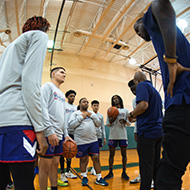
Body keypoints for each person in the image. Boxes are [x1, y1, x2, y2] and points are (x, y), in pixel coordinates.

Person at [133, 1, 190, 189]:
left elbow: (160, 4)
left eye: (137, 29)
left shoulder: (153, 23)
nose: (139, 34)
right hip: (170, 119)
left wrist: (171, 60)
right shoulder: (177, 42)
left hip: (182, 106)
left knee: (167, 177)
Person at [0, 16, 50, 190]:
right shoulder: (39, 36)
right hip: (18, 120)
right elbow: (30, 83)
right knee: (24, 184)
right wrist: (41, 130)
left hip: (2, 120)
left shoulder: (7, 50)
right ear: (44, 28)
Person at [127, 71, 164, 190]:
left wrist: (131, 114)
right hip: (158, 132)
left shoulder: (142, 86)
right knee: (155, 165)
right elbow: (149, 111)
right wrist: (137, 116)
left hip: (147, 133)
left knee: (146, 167)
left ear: (137, 81)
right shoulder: (155, 92)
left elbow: (143, 106)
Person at [39, 67, 73, 190]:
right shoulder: (47, 87)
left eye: (65, 73)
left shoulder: (61, 94)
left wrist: (66, 134)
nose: (64, 75)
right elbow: (42, 108)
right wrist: (49, 131)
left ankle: (54, 188)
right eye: (62, 72)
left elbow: (63, 115)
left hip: (59, 135)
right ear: (53, 74)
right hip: (49, 135)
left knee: (55, 166)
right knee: (44, 168)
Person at [68, 98, 109, 186]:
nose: (86, 103)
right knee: (83, 160)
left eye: (87, 102)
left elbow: (98, 124)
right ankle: (84, 177)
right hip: (81, 141)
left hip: (93, 140)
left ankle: (99, 178)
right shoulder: (75, 114)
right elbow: (71, 126)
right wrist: (80, 118)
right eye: (84, 102)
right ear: (80, 103)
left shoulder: (92, 113)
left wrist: (93, 116)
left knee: (96, 158)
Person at [104, 95, 130, 181]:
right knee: (111, 155)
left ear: (120, 100)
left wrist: (125, 121)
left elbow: (129, 123)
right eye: (113, 99)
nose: (115, 100)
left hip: (123, 135)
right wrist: (112, 120)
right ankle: (110, 172)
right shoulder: (110, 110)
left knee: (124, 155)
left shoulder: (125, 111)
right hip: (113, 135)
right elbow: (107, 124)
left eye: (117, 98)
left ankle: (124, 172)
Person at [59, 90, 78, 183]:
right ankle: (62, 173)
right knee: (63, 152)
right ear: (67, 97)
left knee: (70, 152)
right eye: (71, 96)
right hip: (63, 131)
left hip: (72, 132)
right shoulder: (64, 106)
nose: (72, 97)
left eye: (74, 96)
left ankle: (68, 171)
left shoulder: (76, 108)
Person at [90, 100, 107, 175]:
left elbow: (103, 127)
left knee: (97, 153)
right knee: (88, 153)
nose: (96, 107)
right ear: (92, 106)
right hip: (91, 136)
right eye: (94, 105)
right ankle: (87, 168)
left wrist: (104, 137)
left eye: (97, 105)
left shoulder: (101, 116)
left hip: (98, 136)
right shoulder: (89, 114)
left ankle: (94, 168)